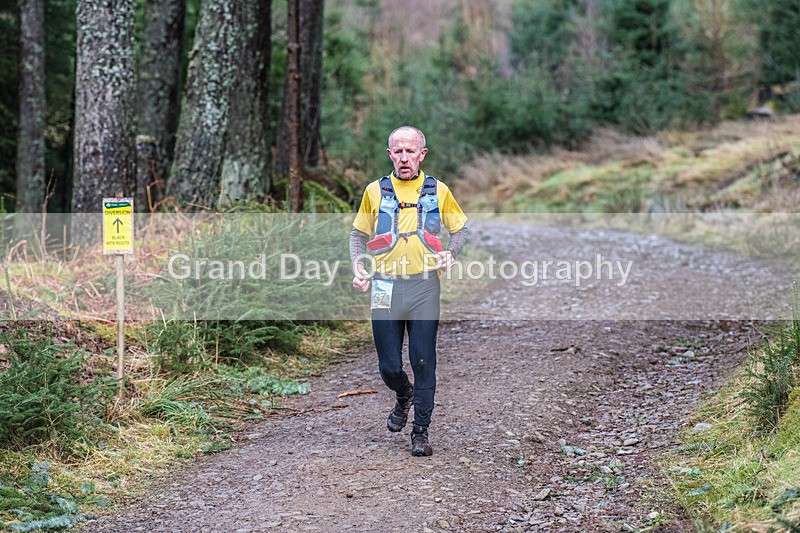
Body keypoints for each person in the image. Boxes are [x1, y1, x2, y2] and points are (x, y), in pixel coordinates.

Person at [350, 126, 469, 456]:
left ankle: (420, 432)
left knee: (423, 360)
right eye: (398, 152)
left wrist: (451, 253)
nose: (404, 158)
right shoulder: (375, 191)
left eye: (410, 151)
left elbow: (460, 230)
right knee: (389, 366)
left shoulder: (438, 190)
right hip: (384, 286)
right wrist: (359, 267)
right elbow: (357, 236)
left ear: (422, 154)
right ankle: (404, 395)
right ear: (390, 154)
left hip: (424, 286)